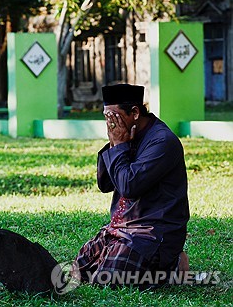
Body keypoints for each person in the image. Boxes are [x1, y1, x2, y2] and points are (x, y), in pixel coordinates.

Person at [73, 83, 190, 288]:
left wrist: (118, 146)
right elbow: (105, 183)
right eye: (106, 117)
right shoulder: (126, 136)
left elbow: (129, 186)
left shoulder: (162, 142)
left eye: (114, 117)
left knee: (107, 281)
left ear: (135, 112)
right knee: (77, 271)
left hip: (151, 233)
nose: (110, 124)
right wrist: (114, 144)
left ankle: (173, 264)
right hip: (120, 229)